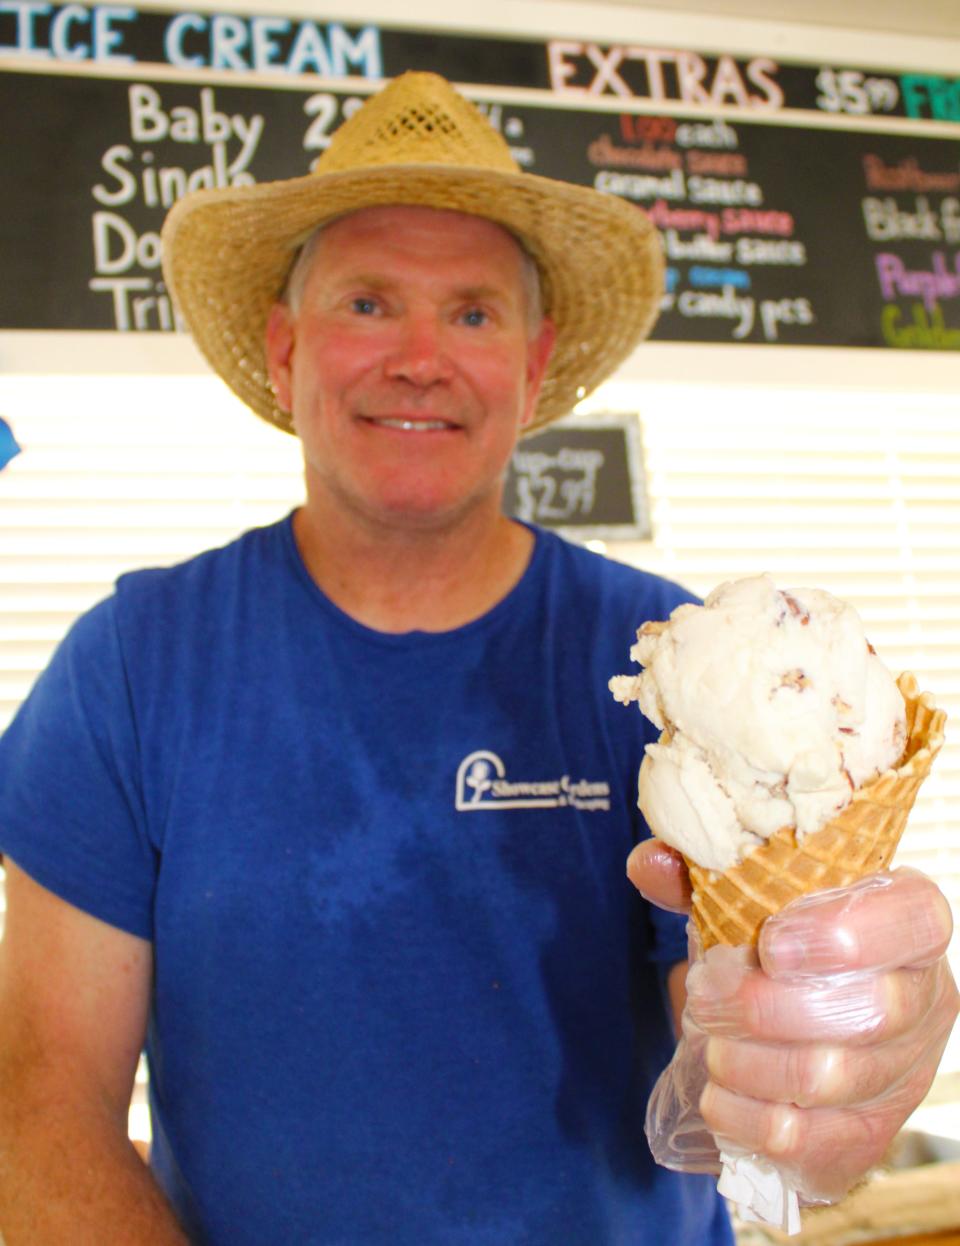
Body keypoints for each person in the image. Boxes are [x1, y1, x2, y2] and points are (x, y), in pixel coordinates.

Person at [0, 72, 955, 1246]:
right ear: (285, 345)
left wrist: (826, 1060)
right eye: (365, 303)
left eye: (471, 313)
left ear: (536, 362)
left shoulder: (667, 670)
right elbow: (39, 1103)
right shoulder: (131, 667)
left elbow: (738, 1062)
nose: (419, 357)